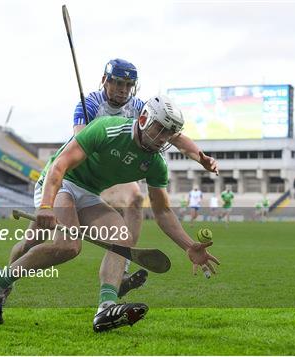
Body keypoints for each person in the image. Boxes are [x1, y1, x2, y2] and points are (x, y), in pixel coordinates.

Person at [0, 95, 220, 332]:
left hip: (89, 193)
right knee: (68, 247)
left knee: (121, 239)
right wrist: (45, 205)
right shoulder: (107, 129)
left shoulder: (156, 163)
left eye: (169, 133)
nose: (162, 137)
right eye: (160, 128)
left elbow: (162, 211)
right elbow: (60, 165)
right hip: (61, 182)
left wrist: (188, 245)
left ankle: (106, 308)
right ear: (144, 118)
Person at [72, 59, 218, 296]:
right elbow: (80, 142)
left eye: (128, 85)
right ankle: (3, 282)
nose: (123, 89)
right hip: (87, 172)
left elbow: (175, 136)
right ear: (104, 81)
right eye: (118, 83)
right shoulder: (88, 105)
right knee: (35, 241)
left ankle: (124, 266)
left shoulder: (140, 107)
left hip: (115, 173)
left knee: (135, 198)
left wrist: (200, 157)